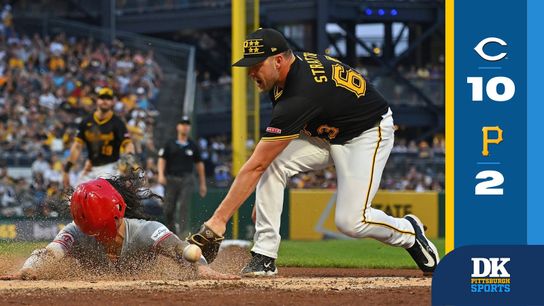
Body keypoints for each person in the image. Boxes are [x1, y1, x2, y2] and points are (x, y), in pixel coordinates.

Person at [187, 28, 439, 276]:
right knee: (274, 164)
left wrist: (218, 220)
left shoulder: (300, 93)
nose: (251, 72)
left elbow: (257, 164)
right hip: (327, 133)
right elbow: (270, 157)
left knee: (351, 221)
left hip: (366, 133)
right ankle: (264, 256)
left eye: (256, 64)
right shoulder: (285, 74)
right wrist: (267, 200)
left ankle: (409, 232)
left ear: (278, 60)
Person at [0, 174, 236, 280]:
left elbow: (179, 248)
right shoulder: (75, 231)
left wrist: (202, 266)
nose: (98, 237)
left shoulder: (146, 230)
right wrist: (28, 269)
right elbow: (50, 252)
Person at [62, 87, 135, 189]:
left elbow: (128, 143)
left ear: (112, 102)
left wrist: (129, 157)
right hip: (91, 166)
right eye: (102, 98)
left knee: (101, 192)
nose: (105, 101)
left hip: (110, 166)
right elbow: (77, 146)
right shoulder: (86, 121)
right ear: (97, 100)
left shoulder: (117, 123)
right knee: (74, 197)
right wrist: (67, 168)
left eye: (108, 98)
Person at [158, 116, 207, 235]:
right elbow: (162, 159)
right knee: (168, 208)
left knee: (183, 206)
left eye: (187, 124)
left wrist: (202, 184)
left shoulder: (192, 145)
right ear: (178, 126)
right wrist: (160, 174)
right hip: (171, 178)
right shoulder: (170, 143)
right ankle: (171, 232)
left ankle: (183, 233)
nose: (185, 126)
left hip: (187, 178)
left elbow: (199, 164)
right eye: (182, 124)